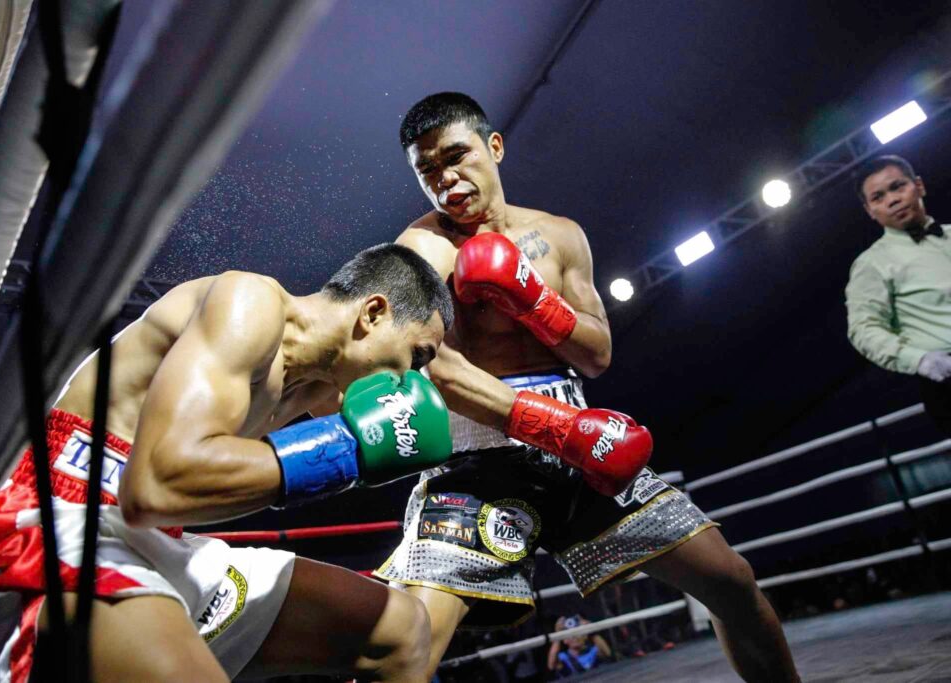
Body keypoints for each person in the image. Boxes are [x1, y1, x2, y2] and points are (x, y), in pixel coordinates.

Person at [373, 92, 800, 682]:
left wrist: (534, 299)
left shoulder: (561, 236)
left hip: (581, 450)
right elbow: (435, 370)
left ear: (493, 146)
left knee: (731, 581)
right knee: (407, 639)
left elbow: (597, 354)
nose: (446, 180)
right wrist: (557, 429)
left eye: (456, 156)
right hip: (479, 462)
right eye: (428, 170)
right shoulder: (420, 251)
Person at [0, 244, 455, 683]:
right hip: (60, 520)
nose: (406, 383)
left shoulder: (324, 388)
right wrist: (346, 448)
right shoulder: (250, 303)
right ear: (371, 313)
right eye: (415, 356)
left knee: (402, 630)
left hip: (159, 541)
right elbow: (153, 486)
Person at [846, 155, 951, 434]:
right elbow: (863, 328)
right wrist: (919, 359)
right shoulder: (872, 264)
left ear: (919, 186)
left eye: (897, 187)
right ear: (870, 210)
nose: (892, 200)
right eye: (878, 197)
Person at [546, 615, 612, 678]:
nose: (575, 638)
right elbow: (551, 665)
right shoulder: (563, 657)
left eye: (578, 634)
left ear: (585, 636)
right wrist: (557, 635)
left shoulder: (594, 651)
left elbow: (607, 652)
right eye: (571, 635)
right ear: (565, 640)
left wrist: (590, 628)